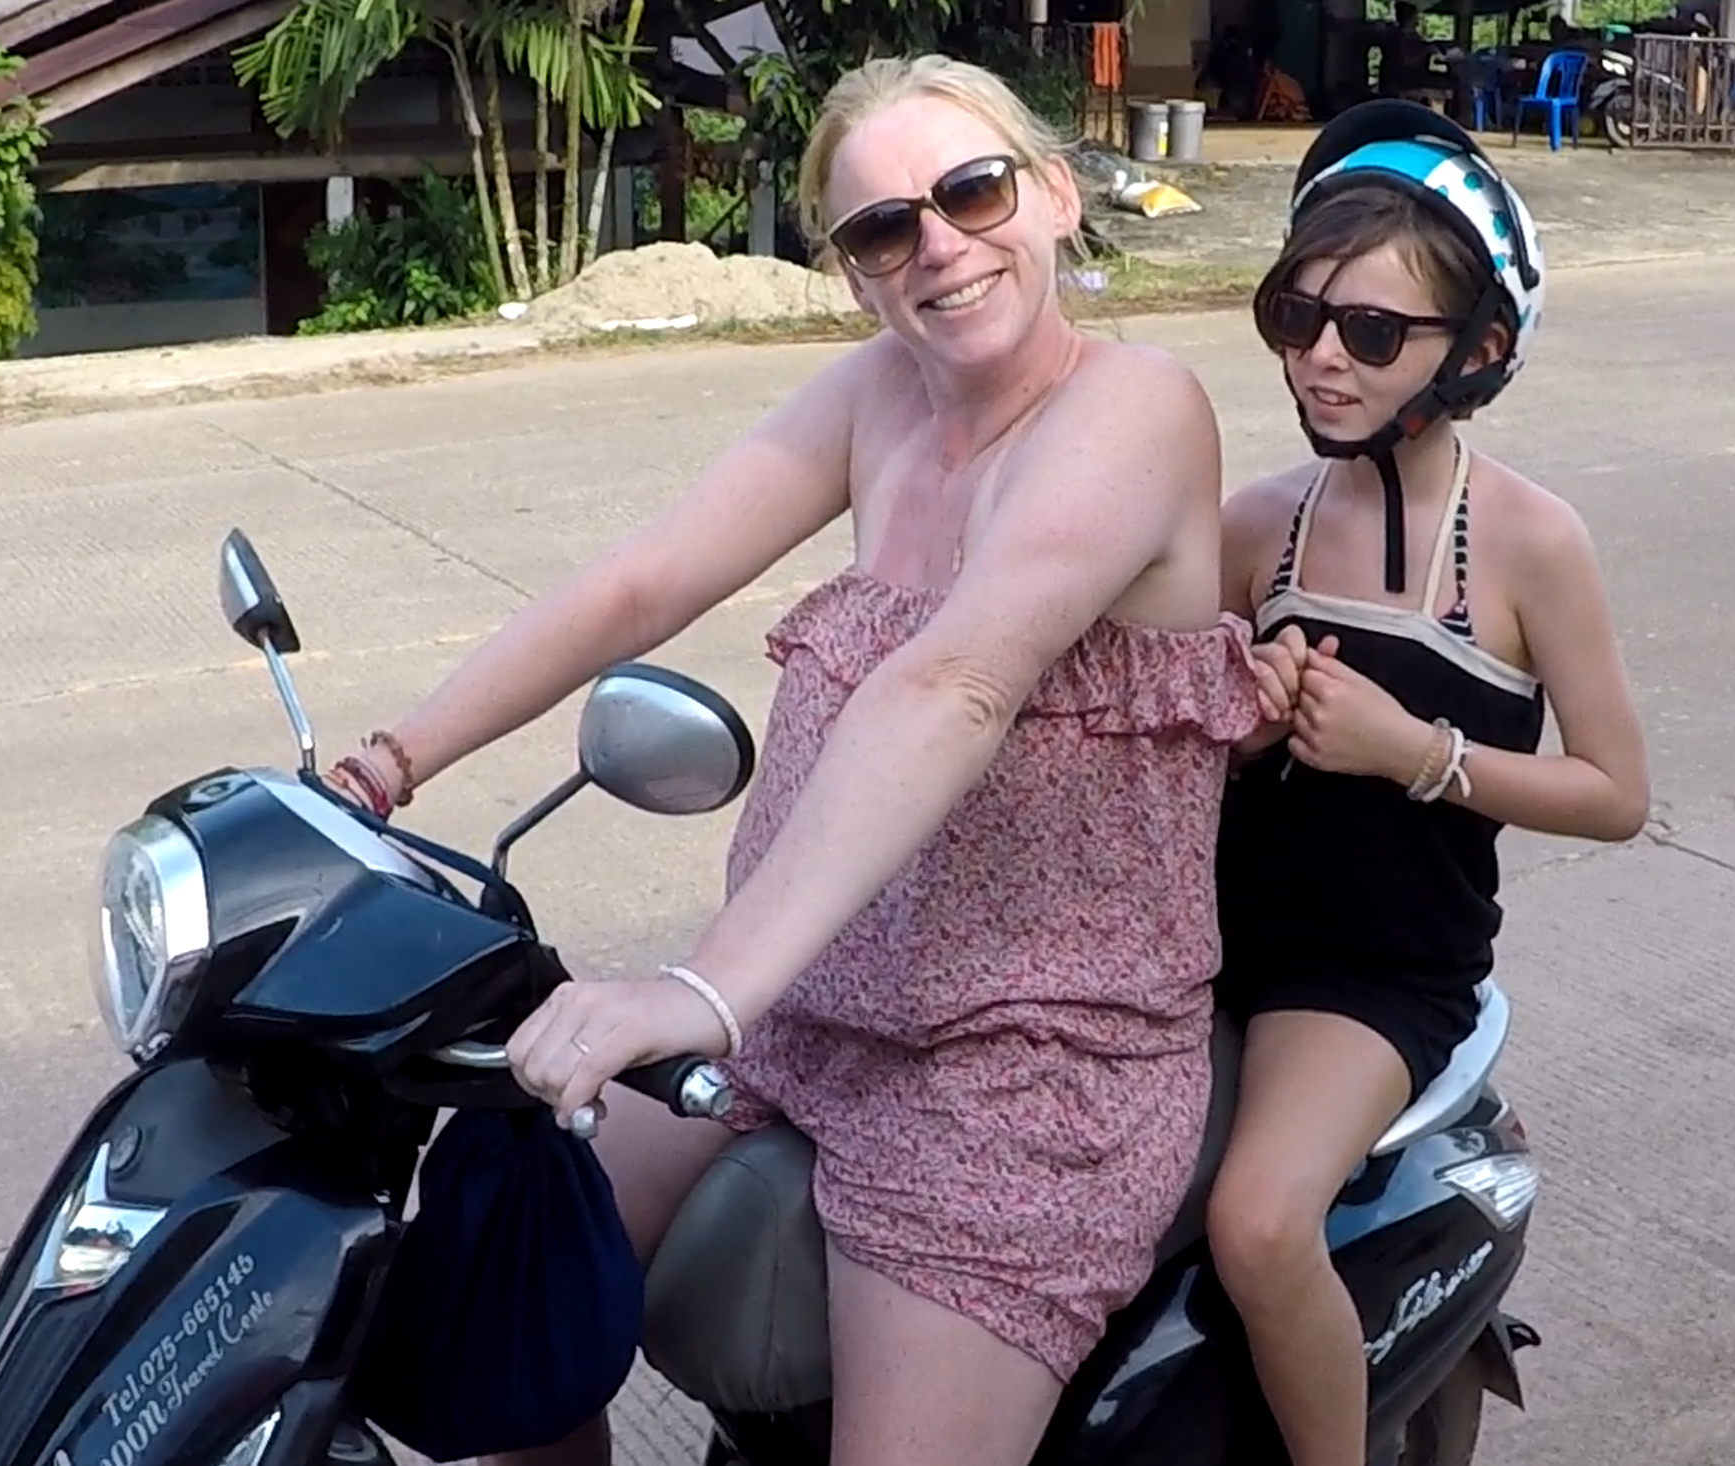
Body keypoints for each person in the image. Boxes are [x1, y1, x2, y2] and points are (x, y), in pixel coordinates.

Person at [325, 52, 1263, 1466]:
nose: (938, 244)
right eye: (883, 227)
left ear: (1057, 196)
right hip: (805, 1011)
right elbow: (643, 580)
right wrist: (385, 767)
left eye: (972, 190)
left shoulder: (1133, 405)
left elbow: (957, 679)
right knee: (506, 1283)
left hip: (1021, 1062)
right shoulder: (879, 394)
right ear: (851, 273)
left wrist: (701, 986)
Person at [1204, 100, 1650, 1466]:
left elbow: (1613, 792)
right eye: (1298, 316)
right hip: (1197, 940)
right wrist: (1239, 722)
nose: (1323, 358)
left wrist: (1417, 753)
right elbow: (1164, 742)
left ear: (1480, 349)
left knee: (1257, 1223)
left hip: (1369, 976)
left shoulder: (1529, 543)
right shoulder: (1254, 526)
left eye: (1371, 330)